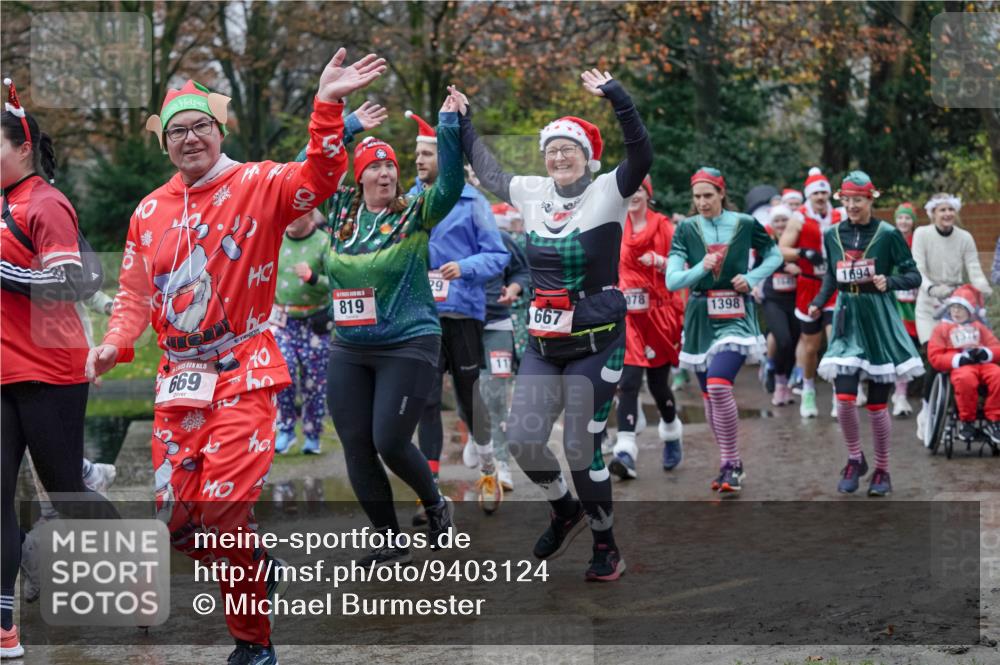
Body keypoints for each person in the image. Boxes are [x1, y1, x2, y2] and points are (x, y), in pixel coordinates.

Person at [86, 51, 384, 665]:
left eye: (200, 126)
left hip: (244, 369)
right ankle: (251, 561)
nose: (189, 138)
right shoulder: (149, 211)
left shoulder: (259, 184)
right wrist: (115, 343)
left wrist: (328, 107)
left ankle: (253, 642)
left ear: (219, 130)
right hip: (177, 381)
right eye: (177, 131)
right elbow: (135, 294)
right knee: (176, 523)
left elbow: (320, 178)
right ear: (165, 143)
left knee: (223, 511)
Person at [452, 66, 653, 581]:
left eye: (569, 149)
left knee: (581, 448)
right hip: (545, 341)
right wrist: (464, 120)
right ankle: (565, 509)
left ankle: (606, 545)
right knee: (522, 439)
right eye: (552, 149)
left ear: (587, 155)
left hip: (597, 340)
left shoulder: (608, 190)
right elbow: (487, 169)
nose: (559, 157)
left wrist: (617, 97)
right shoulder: (532, 191)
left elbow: (642, 154)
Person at [0, 78, 124, 660]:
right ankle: (5, 628)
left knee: (67, 490)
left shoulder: (45, 202)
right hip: (2, 372)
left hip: (50, 371)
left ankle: (135, 572)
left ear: (23, 148)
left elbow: (67, 283)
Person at [321, 94, 465, 566]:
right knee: (356, 443)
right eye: (375, 167)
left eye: (390, 167)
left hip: (408, 341)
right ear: (358, 174)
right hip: (350, 346)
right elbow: (308, 166)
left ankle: (435, 504)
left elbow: (450, 183)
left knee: (389, 440)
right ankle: (388, 538)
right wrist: (346, 126)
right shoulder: (341, 210)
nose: (385, 174)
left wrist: (448, 124)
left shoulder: (415, 210)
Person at [405, 110, 509, 511]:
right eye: (417, 154)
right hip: (422, 318)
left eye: (427, 154)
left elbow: (497, 255)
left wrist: (464, 267)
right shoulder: (409, 201)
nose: (418, 160)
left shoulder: (473, 202)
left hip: (463, 313)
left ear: (445, 159)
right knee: (427, 400)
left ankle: (488, 467)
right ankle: (429, 489)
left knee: (469, 397)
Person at [666, 167, 783, 494]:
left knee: (719, 386)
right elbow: (672, 280)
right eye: (697, 197)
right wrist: (699, 268)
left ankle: (731, 462)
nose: (702, 202)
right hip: (700, 316)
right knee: (708, 397)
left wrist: (753, 277)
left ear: (721, 193)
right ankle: (730, 463)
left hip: (735, 313)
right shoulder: (686, 229)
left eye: (708, 195)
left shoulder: (744, 223)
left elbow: (773, 254)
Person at [807, 172, 923, 497]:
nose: (852, 206)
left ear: (870, 199)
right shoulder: (832, 234)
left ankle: (883, 469)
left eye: (858, 200)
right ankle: (855, 458)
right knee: (844, 399)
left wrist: (891, 281)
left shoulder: (887, 234)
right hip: (847, 319)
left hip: (879, 321)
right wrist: (818, 302)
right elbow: (832, 276)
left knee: (876, 404)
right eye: (846, 200)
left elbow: (914, 275)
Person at [611, 175, 684, 478]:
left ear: (648, 194)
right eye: (631, 188)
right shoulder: (616, 225)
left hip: (658, 315)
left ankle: (671, 431)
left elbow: (682, 266)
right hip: (629, 316)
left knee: (658, 385)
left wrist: (660, 261)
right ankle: (625, 451)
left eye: (640, 188)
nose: (635, 194)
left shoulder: (663, 226)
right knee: (627, 381)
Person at [912, 193, 993, 439]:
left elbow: (974, 268)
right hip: (929, 305)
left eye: (950, 209)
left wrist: (983, 290)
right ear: (932, 213)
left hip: (957, 306)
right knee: (934, 358)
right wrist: (931, 289)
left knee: (963, 357)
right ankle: (926, 410)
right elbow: (917, 268)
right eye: (942, 210)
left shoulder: (964, 237)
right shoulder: (922, 235)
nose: (947, 214)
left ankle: (966, 408)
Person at [779, 167, 848, 418]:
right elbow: (782, 249)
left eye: (823, 192)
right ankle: (808, 389)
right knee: (811, 348)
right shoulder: (799, 218)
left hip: (835, 287)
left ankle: (838, 395)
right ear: (809, 195)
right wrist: (803, 253)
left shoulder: (840, 215)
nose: (820, 197)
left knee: (836, 341)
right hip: (809, 287)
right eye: (815, 193)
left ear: (829, 194)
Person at [271, 207, 332, 455]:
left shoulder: (324, 242)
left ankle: (312, 434)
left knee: (314, 382)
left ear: (310, 215)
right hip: (282, 321)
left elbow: (337, 282)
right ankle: (285, 429)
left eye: (297, 213)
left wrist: (312, 277)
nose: (291, 218)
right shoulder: (275, 238)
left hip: (314, 322)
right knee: (282, 373)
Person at [478, 217, 531, 492]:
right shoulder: (445, 238)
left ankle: (501, 463)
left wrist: (512, 290)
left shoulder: (500, 238)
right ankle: (476, 435)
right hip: (461, 328)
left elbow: (522, 273)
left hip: (498, 325)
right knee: (469, 398)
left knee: (497, 394)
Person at [927, 285, 1000, 445]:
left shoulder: (979, 327)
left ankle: (994, 420)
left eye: (960, 308)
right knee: (965, 379)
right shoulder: (942, 329)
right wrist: (958, 359)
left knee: (998, 375)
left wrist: (985, 353)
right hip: (961, 366)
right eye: (953, 307)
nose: (956, 312)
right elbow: (935, 356)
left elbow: (996, 347)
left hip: (982, 364)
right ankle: (967, 421)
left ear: (970, 311)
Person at [757, 204, 801, 406]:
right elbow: (755, 267)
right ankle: (777, 378)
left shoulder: (797, 243)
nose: (781, 224)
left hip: (796, 299)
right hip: (772, 298)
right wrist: (754, 286)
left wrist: (798, 270)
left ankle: (784, 384)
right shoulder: (766, 243)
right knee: (783, 340)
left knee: (794, 342)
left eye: (785, 220)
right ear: (772, 224)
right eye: (777, 221)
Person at [890, 202, 919, 417]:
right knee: (899, 346)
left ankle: (901, 392)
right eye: (900, 217)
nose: (904, 221)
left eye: (907, 217)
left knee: (911, 347)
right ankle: (900, 395)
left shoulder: (919, 241)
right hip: (894, 301)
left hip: (916, 304)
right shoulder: (889, 239)